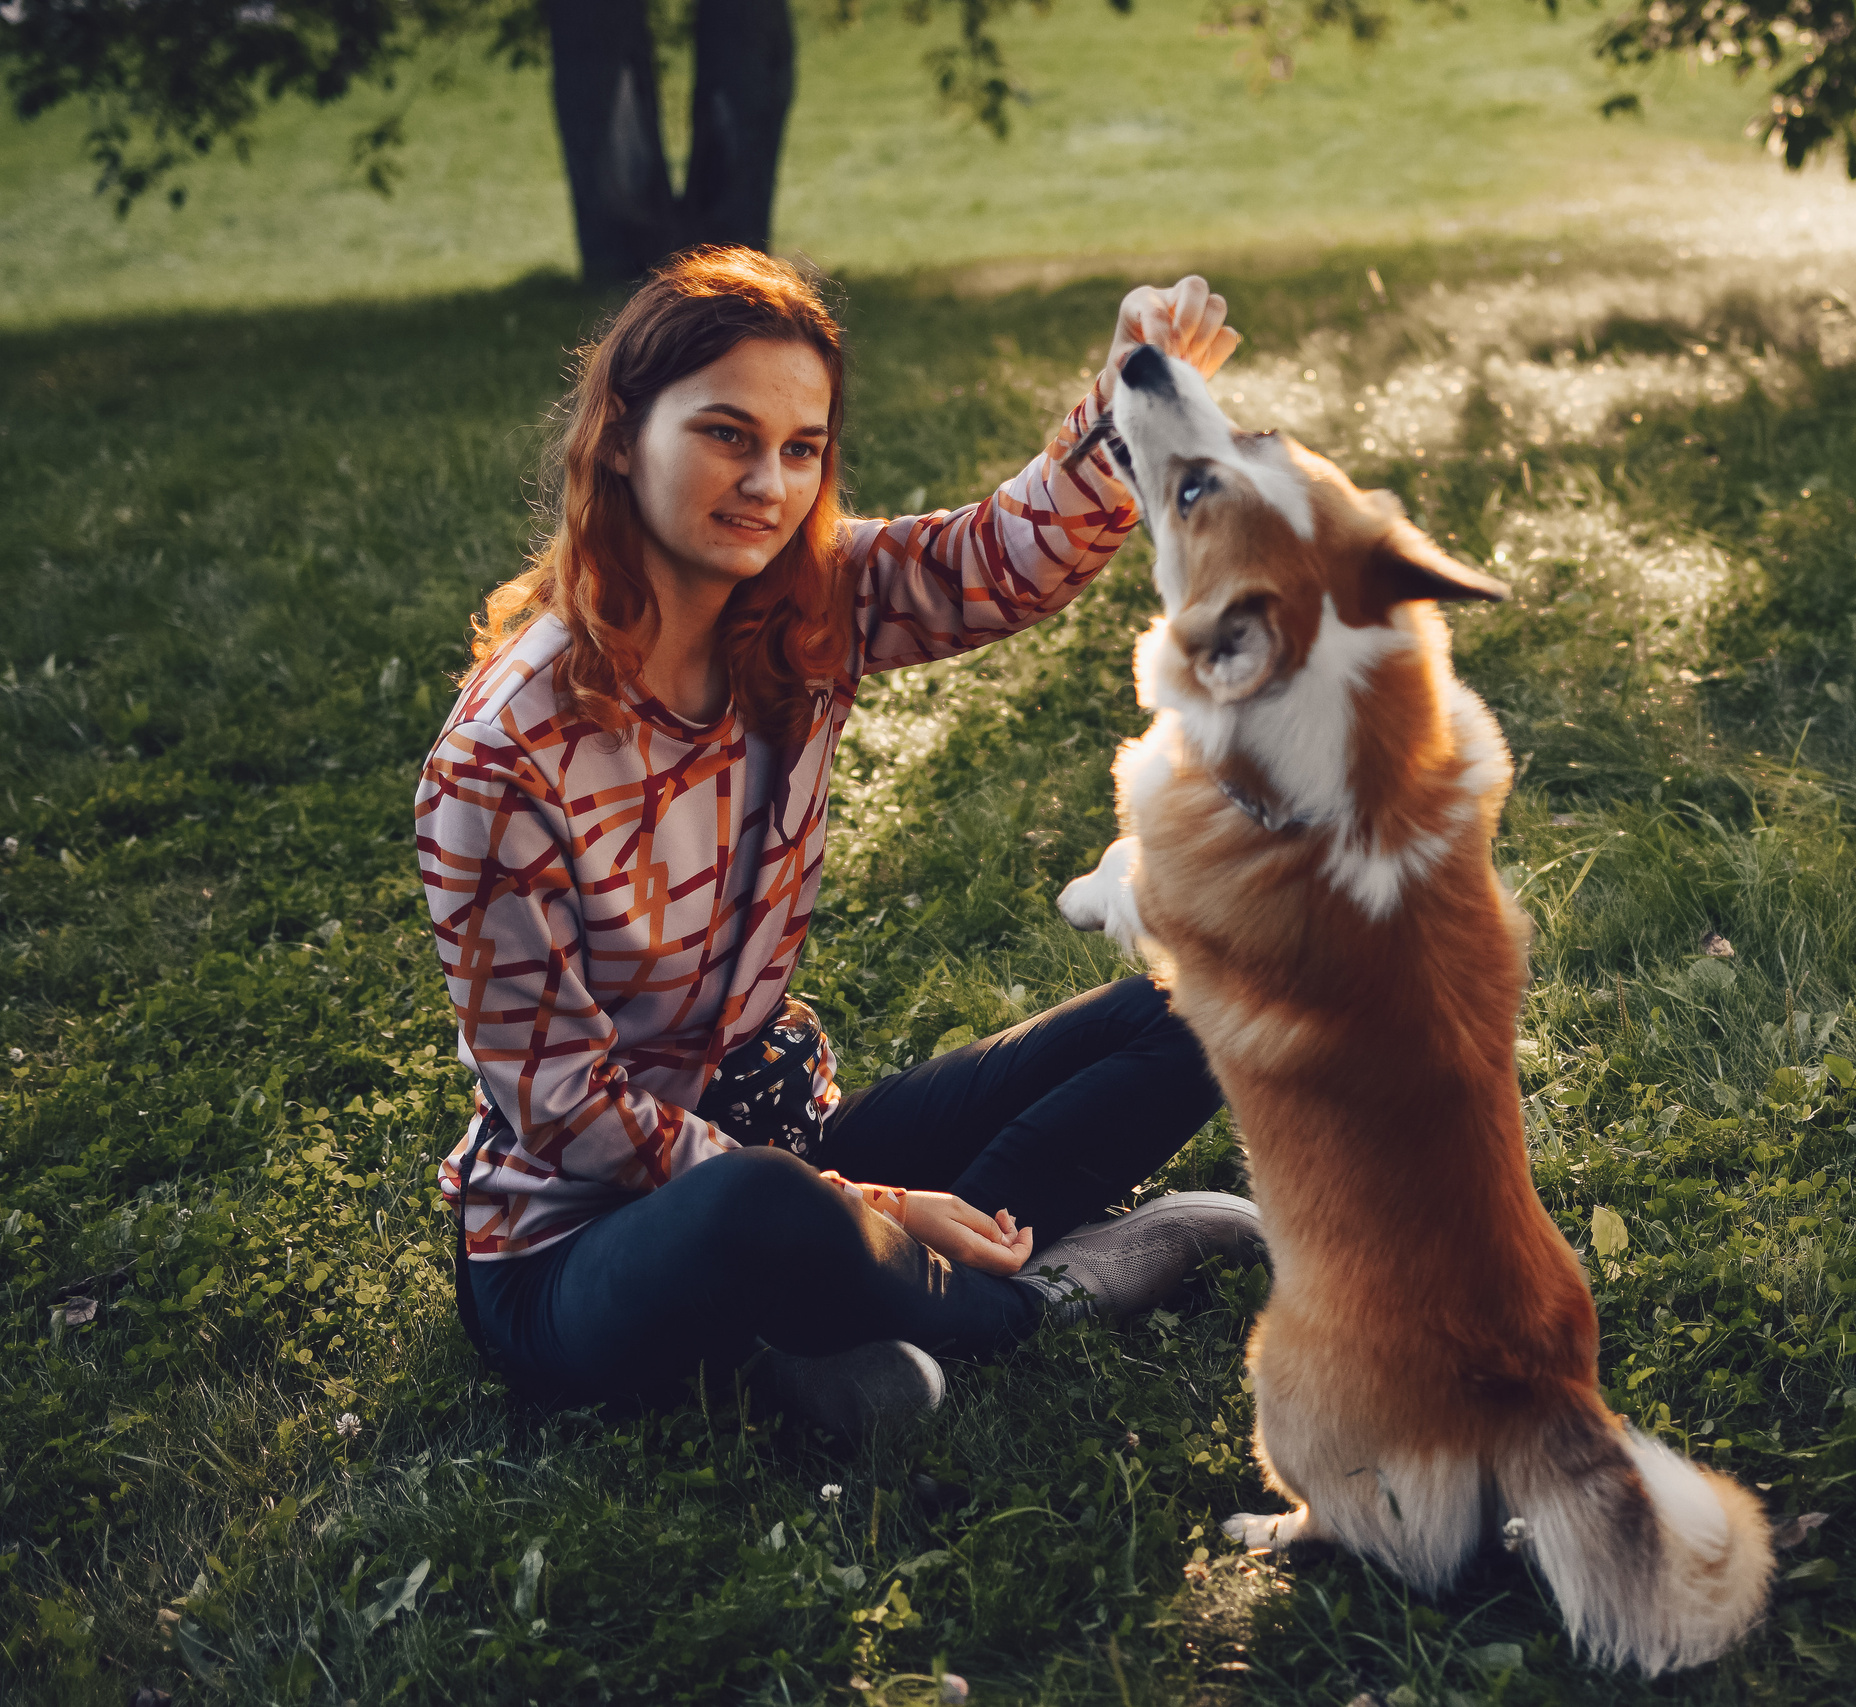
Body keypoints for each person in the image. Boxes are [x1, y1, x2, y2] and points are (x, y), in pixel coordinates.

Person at [415, 247, 1259, 1433]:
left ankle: (843, 1313)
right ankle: (1027, 1299)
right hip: (578, 1246)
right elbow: (570, 1113)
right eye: (726, 435)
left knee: (1192, 1011)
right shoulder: (504, 756)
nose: (767, 483)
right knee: (761, 1208)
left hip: (785, 1135)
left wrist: (1138, 399)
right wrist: (878, 1205)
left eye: (801, 448)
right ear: (620, 438)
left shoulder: (809, 601)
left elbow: (992, 563)